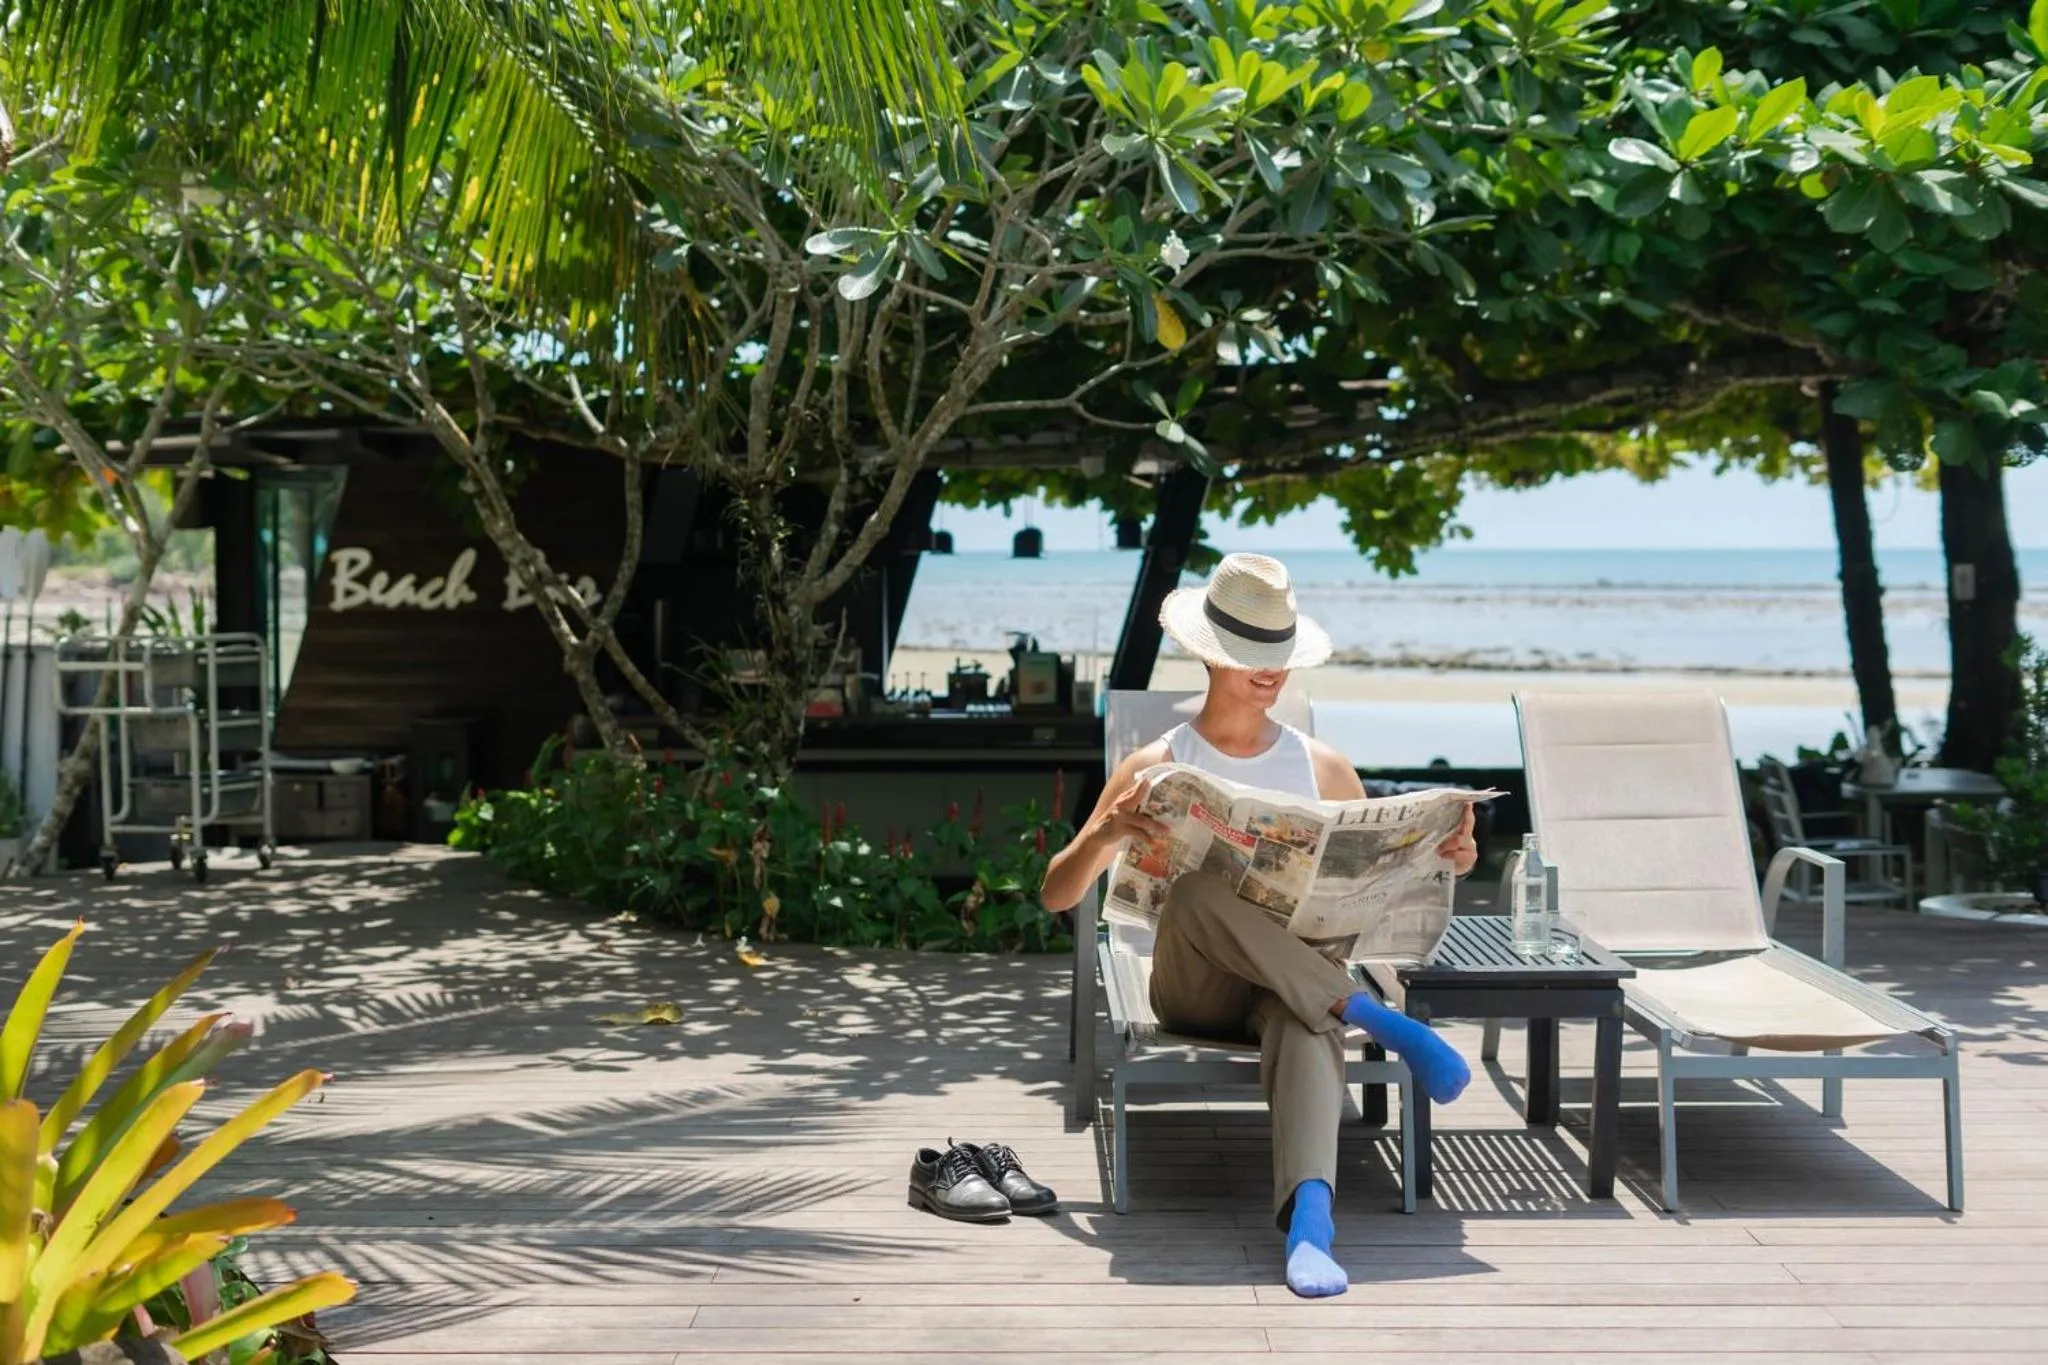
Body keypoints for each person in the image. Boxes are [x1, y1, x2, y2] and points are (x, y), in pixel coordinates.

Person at [1041, 552, 1476, 1299]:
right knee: (1196, 894)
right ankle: (1372, 1014)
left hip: (1293, 983)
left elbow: (1373, 894)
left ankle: (1313, 1226)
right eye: (1251, 657)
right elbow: (1056, 893)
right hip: (1196, 984)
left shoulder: (1325, 767)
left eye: (1277, 655)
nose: (1269, 672)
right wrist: (1105, 833)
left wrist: (1447, 859)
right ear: (1209, 653)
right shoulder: (1156, 764)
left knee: (1306, 1011)